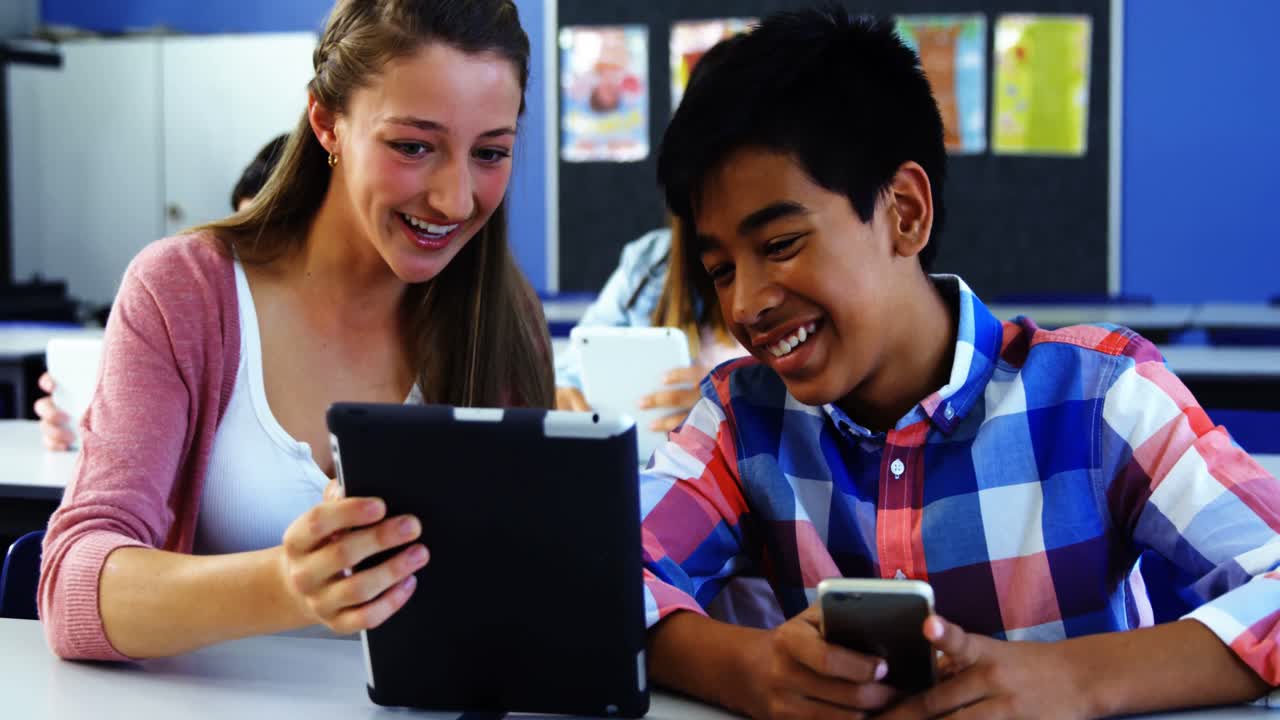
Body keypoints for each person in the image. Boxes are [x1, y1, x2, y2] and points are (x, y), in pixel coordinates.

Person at [640, 9, 1279, 719]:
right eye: (720, 268)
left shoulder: (1098, 395)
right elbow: (599, 578)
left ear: (906, 213)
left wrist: (1078, 679)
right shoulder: (740, 417)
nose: (747, 303)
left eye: (782, 244)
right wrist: (748, 668)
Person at [39, 0, 551, 661]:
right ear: (326, 123)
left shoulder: (502, 316)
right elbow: (74, 588)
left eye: (491, 152)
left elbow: (535, 600)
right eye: (413, 146)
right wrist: (288, 583)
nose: (455, 199)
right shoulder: (187, 293)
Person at [33, 133, 292, 451]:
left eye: (271, 236)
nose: (255, 257)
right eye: (244, 236)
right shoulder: (200, 318)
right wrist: (83, 419)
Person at [554, 223, 745, 433]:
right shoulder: (650, 260)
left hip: (742, 459)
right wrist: (562, 394)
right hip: (652, 456)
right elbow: (573, 366)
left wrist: (741, 407)